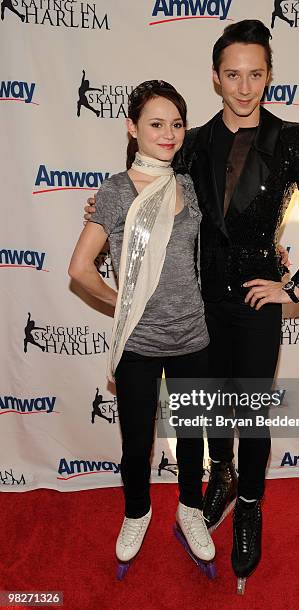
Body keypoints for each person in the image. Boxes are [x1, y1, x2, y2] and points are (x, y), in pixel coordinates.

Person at [84, 20, 299, 593]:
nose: (244, 86)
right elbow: (154, 194)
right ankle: (222, 476)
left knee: (252, 413)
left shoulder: (292, 139)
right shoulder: (196, 143)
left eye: (255, 73)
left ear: (269, 75)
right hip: (201, 303)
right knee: (207, 413)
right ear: (215, 78)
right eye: (232, 74)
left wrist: (294, 284)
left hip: (257, 304)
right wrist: (107, 203)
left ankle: (251, 503)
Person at [70, 80, 216, 578]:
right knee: (137, 442)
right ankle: (137, 513)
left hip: (193, 338)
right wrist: (124, 305)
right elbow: (80, 268)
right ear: (132, 129)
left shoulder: (189, 185)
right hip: (139, 343)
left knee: (193, 437)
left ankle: (191, 511)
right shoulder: (113, 192)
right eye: (156, 124)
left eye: (176, 124)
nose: (168, 134)